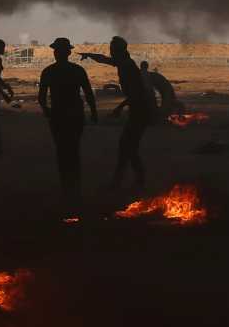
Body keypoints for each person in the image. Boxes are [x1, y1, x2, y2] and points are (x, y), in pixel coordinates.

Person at [80, 36, 152, 190]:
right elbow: (104, 59)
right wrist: (89, 55)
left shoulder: (127, 65)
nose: (110, 52)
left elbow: (137, 94)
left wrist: (119, 108)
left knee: (127, 145)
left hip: (140, 110)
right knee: (127, 145)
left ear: (118, 50)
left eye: (112, 49)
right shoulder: (123, 62)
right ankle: (128, 179)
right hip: (138, 109)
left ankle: (132, 180)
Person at [37, 38, 97, 206]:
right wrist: (93, 112)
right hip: (75, 116)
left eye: (58, 50)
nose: (57, 53)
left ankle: (66, 186)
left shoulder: (48, 71)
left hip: (58, 116)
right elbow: (88, 94)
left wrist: (47, 112)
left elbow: (41, 98)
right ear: (69, 53)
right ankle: (74, 187)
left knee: (62, 151)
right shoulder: (77, 70)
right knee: (73, 150)